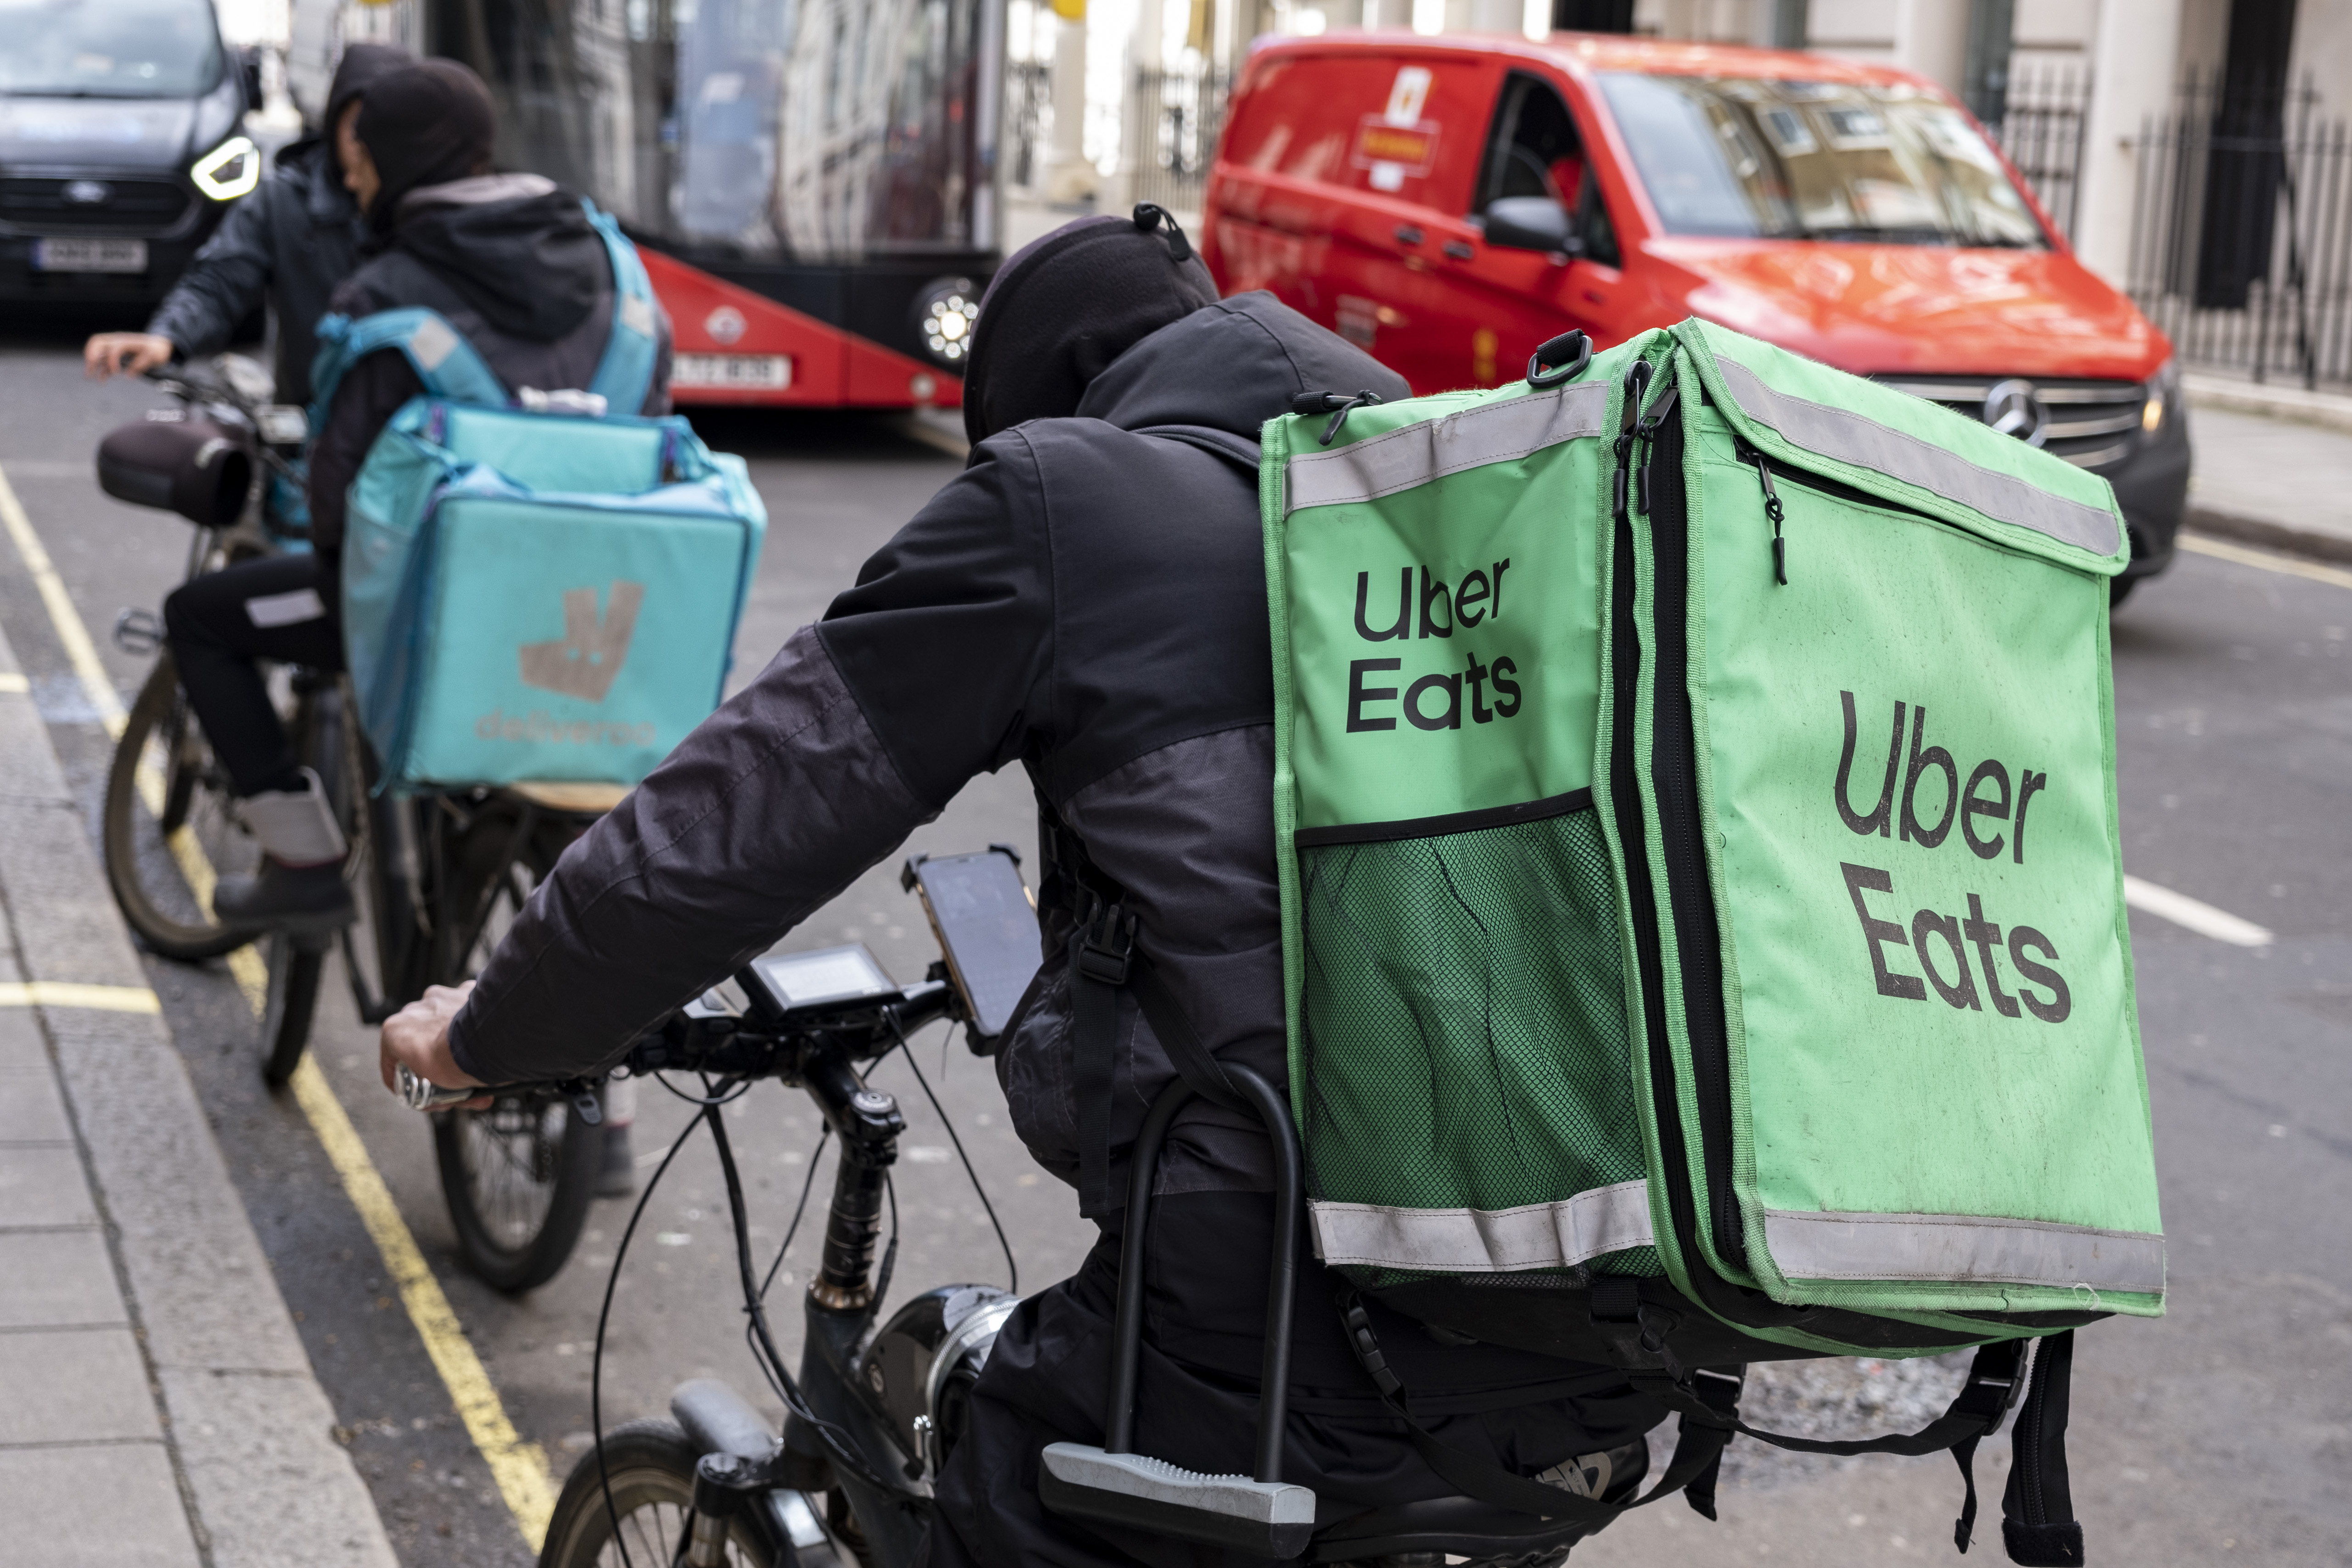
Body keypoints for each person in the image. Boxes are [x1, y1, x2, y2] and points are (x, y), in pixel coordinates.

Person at [379, 209, 1669, 1564]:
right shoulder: (1464, 509)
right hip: (1597, 1317)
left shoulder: (1069, 499)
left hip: (1273, 1324)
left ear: (1055, 398)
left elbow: (734, 820)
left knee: (1000, 1470)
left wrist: (494, 1034)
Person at [159, 55, 674, 938]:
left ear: (394, 161)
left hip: (439, 616)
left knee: (199, 618)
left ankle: (303, 860)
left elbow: (339, 500)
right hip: (598, 613)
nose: (351, 183)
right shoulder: (609, 259)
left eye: (359, 164)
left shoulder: (386, 291)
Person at [84, 44, 412, 407]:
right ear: (334, 120)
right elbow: (220, 278)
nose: (367, 147)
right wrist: (169, 336)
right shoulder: (284, 199)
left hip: (417, 435)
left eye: (383, 132)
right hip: (311, 426)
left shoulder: (431, 209)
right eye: (357, 128)